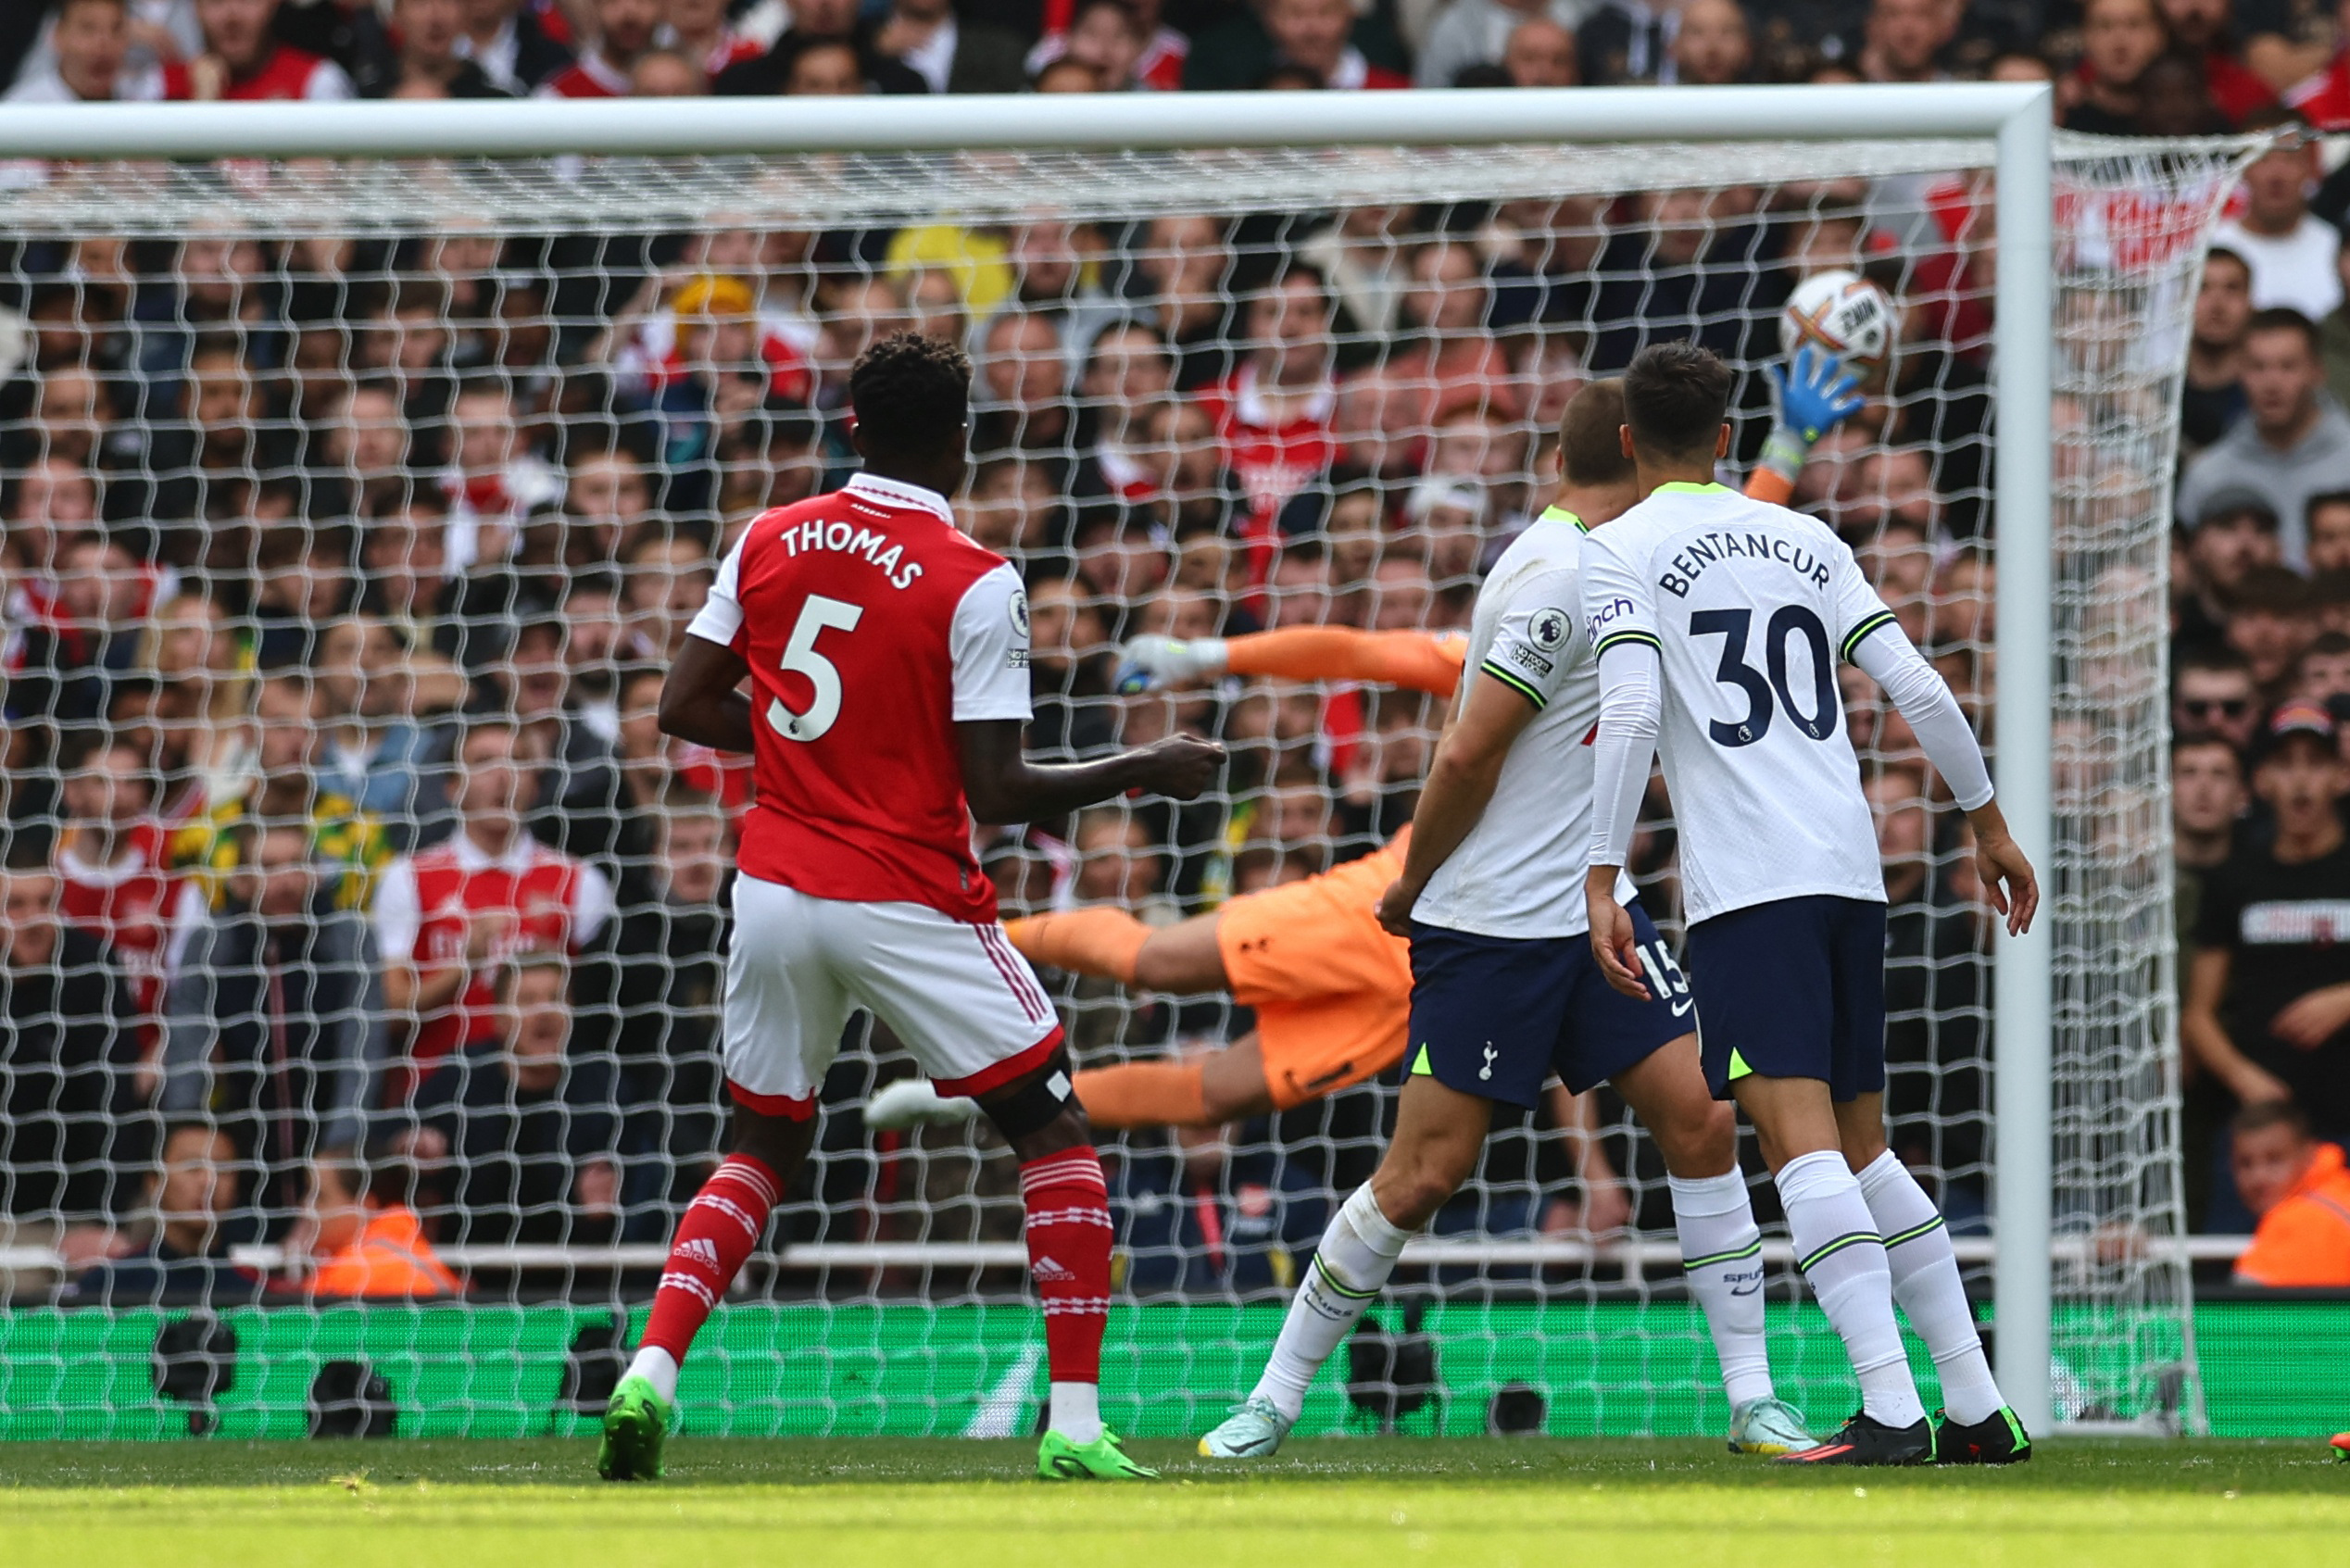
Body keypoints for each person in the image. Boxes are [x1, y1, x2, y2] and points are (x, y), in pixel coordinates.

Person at [869, 358, 1864, 1135]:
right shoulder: (1541, 606)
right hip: (1419, 909)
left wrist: (1781, 448)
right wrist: (1208, 651)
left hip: (1516, 940)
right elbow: (1356, 649)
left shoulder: (1650, 585)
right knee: (1159, 962)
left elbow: (1718, 543)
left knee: (1222, 1093)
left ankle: (974, 1099)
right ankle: (953, 937)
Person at [597, 333, 1222, 1485]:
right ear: (960, 442)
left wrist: (806, 750)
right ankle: (1075, 1423)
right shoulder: (973, 576)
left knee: (763, 1139)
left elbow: (682, 704)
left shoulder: (767, 534)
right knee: (1051, 1130)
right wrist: (1144, 765)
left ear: (848, 430)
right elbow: (997, 788)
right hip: (904, 893)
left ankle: (650, 1373)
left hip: (776, 888)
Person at [1191, 377, 1813, 1462]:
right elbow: (1467, 750)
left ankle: (1753, 1398)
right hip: (1486, 924)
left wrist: (1793, 445)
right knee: (1423, 1174)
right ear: (1635, 456)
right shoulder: (1551, 576)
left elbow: (1733, 530)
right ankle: (1273, 1396)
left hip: (1593, 915)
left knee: (1702, 1120)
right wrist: (1408, 884)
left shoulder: (1625, 557)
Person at [1582, 341, 2040, 1467]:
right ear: (1729, 438)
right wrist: (1982, 819)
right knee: (1860, 1146)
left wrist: (1600, 870)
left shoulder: (1617, 549)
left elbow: (1632, 714)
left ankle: (1889, 1409)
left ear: (1630, 443)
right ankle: (1978, 1407)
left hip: (1748, 887)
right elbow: (1919, 687)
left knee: (1799, 1155)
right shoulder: (1806, 536)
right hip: (1849, 872)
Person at [2185, 702, 2350, 1147]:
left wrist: (2344, 1000)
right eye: (2284, 764)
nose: (2300, 780)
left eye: (2315, 764)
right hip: (2259, 1128)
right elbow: (2199, 1014)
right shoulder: (2234, 878)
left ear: (2342, 776)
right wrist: (2247, 1082)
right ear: (2261, 782)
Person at [2177, 308, 2350, 571]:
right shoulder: (2208, 474)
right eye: (2257, 367)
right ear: (2239, 371)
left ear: (2318, 371)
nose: (2272, 383)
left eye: (2288, 366)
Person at [61, 1123, 264, 1306]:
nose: (208, 1181)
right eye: (192, 1167)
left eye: (222, 1169)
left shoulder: (260, 1292)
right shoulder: (108, 1285)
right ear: (154, 1183)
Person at [2229, 1102, 2350, 1286]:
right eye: (2245, 1163)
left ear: (2309, 1155)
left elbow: (2243, 1312)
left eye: (2275, 1159)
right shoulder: (2340, 1192)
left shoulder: (2296, 1220)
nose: (2258, 1177)